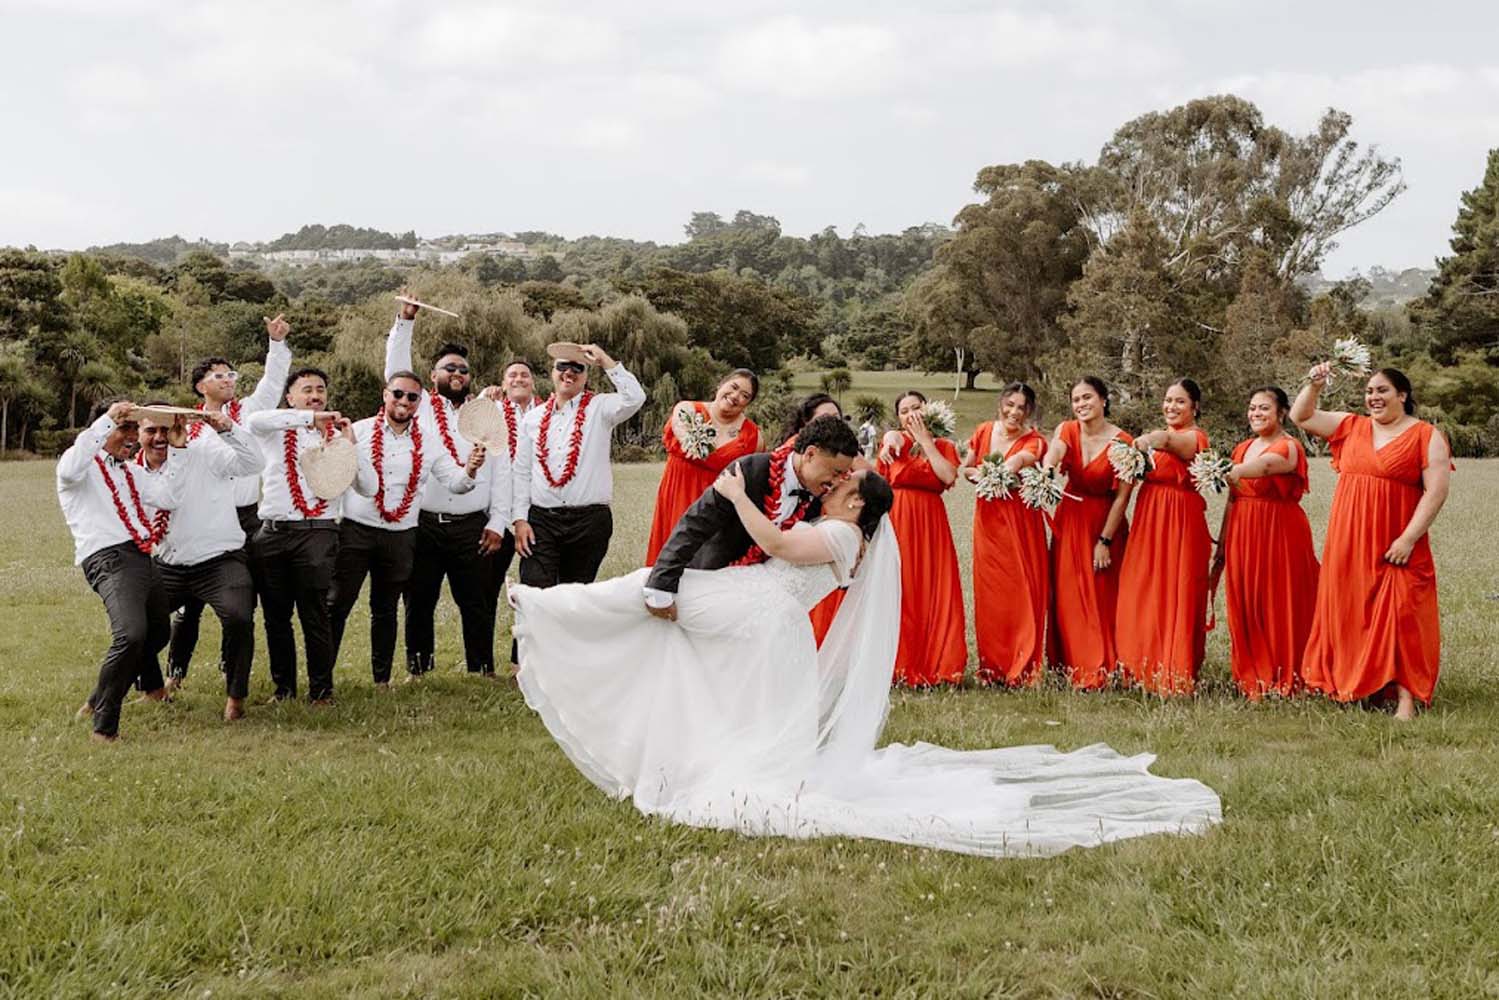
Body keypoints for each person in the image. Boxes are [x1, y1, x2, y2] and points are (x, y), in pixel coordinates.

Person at [509, 464, 1221, 858]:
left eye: (844, 486)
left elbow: (784, 549)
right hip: (758, 614)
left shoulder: (847, 538)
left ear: (858, 501)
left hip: (761, 615)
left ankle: (544, 609)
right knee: (681, 642)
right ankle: (568, 631)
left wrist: (732, 495)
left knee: (649, 591)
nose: (835, 487)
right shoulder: (845, 528)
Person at [1291, 366, 1452, 720]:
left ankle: (1407, 700)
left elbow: (1436, 492)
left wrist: (1409, 538)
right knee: (1351, 610)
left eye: (1382, 390)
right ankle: (1361, 685)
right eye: (1368, 391)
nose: (1373, 398)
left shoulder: (1426, 435)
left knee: (1404, 613)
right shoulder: (1352, 426)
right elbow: (1301, 415)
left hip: (1397, 539)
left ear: (1403, 395)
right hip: (1349, 539)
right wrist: (1315, 384)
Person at [329, 371, 489, 688]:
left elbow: (456, 483)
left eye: (412, 397)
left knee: (385, 609)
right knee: (337, 604)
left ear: (419, 402)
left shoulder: (429, 443)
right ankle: (322, 678)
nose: (404, 401)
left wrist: (470, 468)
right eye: (398, 394)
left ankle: (381, 680)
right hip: (356, 531)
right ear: (385, 394)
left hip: (400, 534)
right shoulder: (357, 431)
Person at [385, 301, 513, 678]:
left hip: (472, 524)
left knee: (477, 600)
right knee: (419, 600)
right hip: (424, 523)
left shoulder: (487, 412)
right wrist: (405, 322)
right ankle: (419, 669)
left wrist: (498, 522)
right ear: (432, 375)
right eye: (449, 368)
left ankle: (482, 668)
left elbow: (501, 469)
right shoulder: (420, 406)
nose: (457, 373)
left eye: (463, 369)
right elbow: (396, 372)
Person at [166, 313, 293, 690]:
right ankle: (175, 675)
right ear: (200, 386)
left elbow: (272, 384)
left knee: (240, 603)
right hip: (199, 519)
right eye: (218, 375)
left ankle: (231, 672)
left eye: (231, 374)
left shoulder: (249, 413)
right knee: (187, 609)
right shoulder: (185, 425)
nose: (227, 379)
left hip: (246, 519)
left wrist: (276, 343)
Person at [56, 400, 190, 741]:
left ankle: (98, 695)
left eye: (135, 429)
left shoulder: (131, 471)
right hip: (108, 558)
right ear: (103, 427)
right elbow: (71, 469)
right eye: (124, 428)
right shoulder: (79, 467)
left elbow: (169, 497)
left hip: (143, 557)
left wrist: (179, 450)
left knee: (158, 633)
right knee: (130, 635)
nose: (132, 437)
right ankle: (104, 727)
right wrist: (106, 420)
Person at [643, 414, 860, 620]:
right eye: (835, 472)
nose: (838, 481)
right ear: (810, 454)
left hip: (755, 604)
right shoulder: (748, 470)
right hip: (711, 580)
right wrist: (661, 584)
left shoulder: (816, 496)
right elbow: (695, 524)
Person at [135, 406, 264, 721]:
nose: (159, 438)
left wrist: (227, 429)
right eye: (151, 431)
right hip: (168, 564)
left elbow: (253, 463)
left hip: (219, 560)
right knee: (134, 623)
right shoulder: (131, 472)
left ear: (179, 427)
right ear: (137, 434)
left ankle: (236, 697)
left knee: (238, 617)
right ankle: (154, 689)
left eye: (166, 429)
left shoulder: (204, 452)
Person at [246, 368, 360, 704]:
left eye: (321, 390)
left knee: (315, 612)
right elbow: (254, 422)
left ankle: (322, 691)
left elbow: (362, 484)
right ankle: (284, 689)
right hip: (274, 532)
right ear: (290, 398)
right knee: (275, 616)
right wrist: (306, 418)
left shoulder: (337, 438)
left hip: (318, 531)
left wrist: (348, 445)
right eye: (307, 390)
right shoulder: (277, 430)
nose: (315, 395)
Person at [1209, 387, 1319, 700]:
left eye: (1264, 409)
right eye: (1252, 408)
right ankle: (1252, 675)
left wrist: (1229, 471)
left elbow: (1268, 466)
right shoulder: (1242, 447)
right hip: (1243, 531)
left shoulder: (1290, 446)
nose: (1256, 414)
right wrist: (1223, 543)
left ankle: (1288, 674)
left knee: (1279, 601)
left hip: (1279, 532)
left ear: (1281, 412)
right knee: (1246, 600)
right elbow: (1233, 498)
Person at [510, 344, 646, 593]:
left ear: (586, 375)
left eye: (577, 368)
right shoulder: (533, 418)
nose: (569, 373)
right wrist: (519, 519)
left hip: (589, 521)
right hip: (541, 520)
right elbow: (521, 472)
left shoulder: (601, 408)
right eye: (562, 366)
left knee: (575, 599)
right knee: (534, 593)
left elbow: (635, 397)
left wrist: (605, 359)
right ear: (552, 372)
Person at [1115, 378, 1213, 697]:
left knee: (1177, 589)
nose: (1171, 406)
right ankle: (1140, 666)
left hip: (1181, 521)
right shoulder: (1163, 437)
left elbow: (1169, 444)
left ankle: (1174, 671)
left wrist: (1146, 439)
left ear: (1194, 406)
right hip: (1149, 517)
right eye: (1168, 400)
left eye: (1180, 401)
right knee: (1143, 587)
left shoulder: (1194, 438)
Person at [1043, 377, 1134, 690]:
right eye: (1076, 399)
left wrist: (1105, 541)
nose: (1081, 404)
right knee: (1068, 593)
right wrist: (1047, 468)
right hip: (1070, 520)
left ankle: (1101, 666)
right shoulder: (1067, 429)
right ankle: (1069, 663)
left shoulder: (1123, 442)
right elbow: (1056, 450)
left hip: (1104, 522)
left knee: (1100, 596)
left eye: (1087, 398)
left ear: (1104, 400)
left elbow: (1123, 496)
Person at [960, 383, 1048, 687]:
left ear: (1029, 412)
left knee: (1020, 591)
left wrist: (1002, 470)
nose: (1014, 412)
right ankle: (992, 667)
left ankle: (1021, 667)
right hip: (988, 523)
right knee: (991, 593)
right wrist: (983, 475)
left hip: (1020, 524)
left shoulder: (1034, 441)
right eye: (1010, 404)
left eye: (1021, 407)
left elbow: (1019, 461)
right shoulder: (984, 431)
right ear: (1001, 403)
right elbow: (967, 468)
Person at [877, 391, 967, 687]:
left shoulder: (944, 446)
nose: (911, 414)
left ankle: (939, 664)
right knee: (900, 587)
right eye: (904, 411)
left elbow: (946, 476)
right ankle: (899, 663)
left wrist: (927, 442)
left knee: (933, 586)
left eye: (916, 407)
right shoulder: (894, 440)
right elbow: (892, 441)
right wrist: (892, 438)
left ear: (929, 411)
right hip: (898, 520)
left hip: (931, 523)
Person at [644, 369, 762, 565]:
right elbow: (684, 437)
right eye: (733, 387)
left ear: (748, 404)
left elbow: (754, 476)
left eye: (745, 396)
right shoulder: (687, 411)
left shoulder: (753, 436)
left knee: (704, 564)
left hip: (715, 506)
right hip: (677, 494)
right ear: (720, 384)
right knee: (668, 559)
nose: (735, 396)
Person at [779, 393, 849, 645]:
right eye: (826, 418)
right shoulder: (791, 452)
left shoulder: (844, 452)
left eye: (837, 418)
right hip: (803, 526)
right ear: (807, 423)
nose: (834, 422)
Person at [480, 359, 539, 585]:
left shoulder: (547, 412)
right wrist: (483, 396)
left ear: (533, 382)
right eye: (512, 375)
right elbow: (466, 425)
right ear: (503, 385)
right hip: (497, 506)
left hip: (535, 507)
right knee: (488, 580)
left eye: (524, 375)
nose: (519, 379)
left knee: (537, 579)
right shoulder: (493, 410)